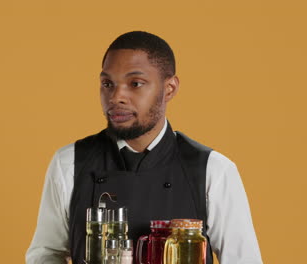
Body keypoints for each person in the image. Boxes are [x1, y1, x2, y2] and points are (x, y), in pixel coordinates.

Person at [26, 31, 263, 264]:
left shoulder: (213, 169)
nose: (117, 96)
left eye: (135, 83)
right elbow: (45, 254)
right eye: (107, 83)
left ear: (169, 89)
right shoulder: (69, 162)